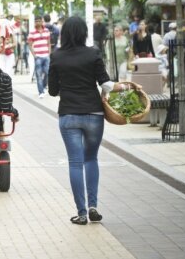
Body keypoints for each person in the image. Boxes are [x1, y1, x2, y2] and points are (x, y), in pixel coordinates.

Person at [48, 16, 139, 225]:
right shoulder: (93, 53)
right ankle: (93, 206)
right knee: (91, 159)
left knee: (75, 162)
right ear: (84, 33)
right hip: (94, 115)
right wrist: (128, 87)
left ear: (64, 34)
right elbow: (106, 84)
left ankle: (80, 213)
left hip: (69, 114)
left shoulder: (57, 56)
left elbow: (52, 91)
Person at [28, 15, 51, 98]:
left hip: (46, 55)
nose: (37, 22)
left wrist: (49, 53)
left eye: (39, 21)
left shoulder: (46, 31)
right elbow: (30, 45)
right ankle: (41, 92)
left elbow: (48, 43)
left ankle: (44, 86)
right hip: (38, 56)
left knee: (48, 72)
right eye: (36, 21)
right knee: (38, 74)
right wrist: (34, 55)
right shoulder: (32, 32)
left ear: (42, 21)